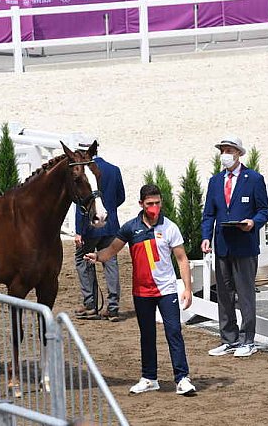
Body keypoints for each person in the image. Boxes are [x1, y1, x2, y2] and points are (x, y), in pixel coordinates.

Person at [85, 184, 196, 396]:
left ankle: (182, 378)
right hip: (142, 292)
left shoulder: (170, 227)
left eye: (157, 203)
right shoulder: (130, 228)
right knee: (147, 335)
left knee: (174, 332)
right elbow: (112, 249)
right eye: (149, 204)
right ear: (141, 204)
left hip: (166, 291)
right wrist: (97, 257)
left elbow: (182, 259)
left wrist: (187, 289)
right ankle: (149, 378)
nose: (154, 207)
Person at [201, 136, 268, 358]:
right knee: (224, 293)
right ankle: (228, 338)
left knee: (245, 294)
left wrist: (253, 222)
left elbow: (263, 210)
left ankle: (247, 339)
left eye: (229, 150)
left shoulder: (254, 179)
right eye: (223, 150)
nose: (225, 154)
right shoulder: (215, 181)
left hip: (245, 245)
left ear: (239, 153)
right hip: (222, 245)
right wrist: (205, 237)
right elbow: (209, 213)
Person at [74, 154, 125, 322]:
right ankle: (113, 307)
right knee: (111, 262)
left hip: (90, 226)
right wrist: (108, 208)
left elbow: (82, 202)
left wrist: (79, 230)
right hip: (110, 223)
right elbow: (121, 197)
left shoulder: (81, 170)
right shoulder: (114, 169)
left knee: (83, 260)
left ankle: (90, 305)